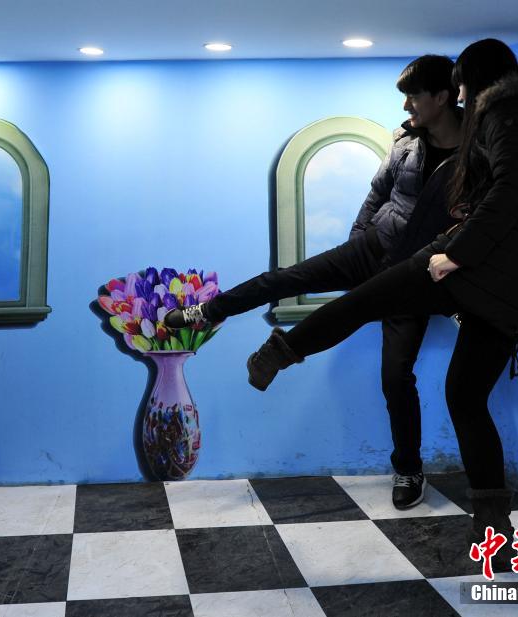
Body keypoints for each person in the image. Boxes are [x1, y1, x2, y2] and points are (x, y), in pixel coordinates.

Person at [245, 39, 518, 547]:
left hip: (484, 268)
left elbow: (515, 190)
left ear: (476, 82)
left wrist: (456, 253)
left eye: (461, 86)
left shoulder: (507, 114)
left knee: (367, 299)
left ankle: (280, 352)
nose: (460, 96)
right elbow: (516, 195)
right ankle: (494, 526)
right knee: (466, 397)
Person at [165, 55, 463, 509]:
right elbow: (378, 192)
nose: (406, 105)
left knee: (395, 377)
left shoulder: (473, 155)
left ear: (441, 97)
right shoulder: (406, 141)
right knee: (282, 279)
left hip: (412, 275)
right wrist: (359, 238)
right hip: (371, 248)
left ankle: (408, 469)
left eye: (413, 96)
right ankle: (206, 311)